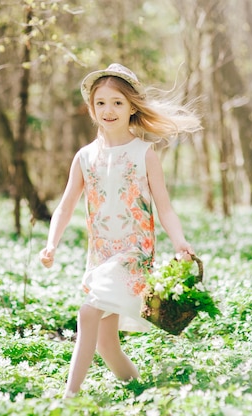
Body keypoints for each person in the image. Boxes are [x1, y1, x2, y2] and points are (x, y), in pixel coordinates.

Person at [39, 63, 201, 398]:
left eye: (117, 102)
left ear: (131, 107)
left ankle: (69, 397)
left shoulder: (144, 153)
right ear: (91, 108)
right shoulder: (85, 157)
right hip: (101, 255)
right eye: (101, 103)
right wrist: (51, 243)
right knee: (106, 345)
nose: (108, 110)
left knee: (87, 312)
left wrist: (180, 241)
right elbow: (66, 205)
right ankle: (140, 391)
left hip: (133, 253)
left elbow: (164, 207)